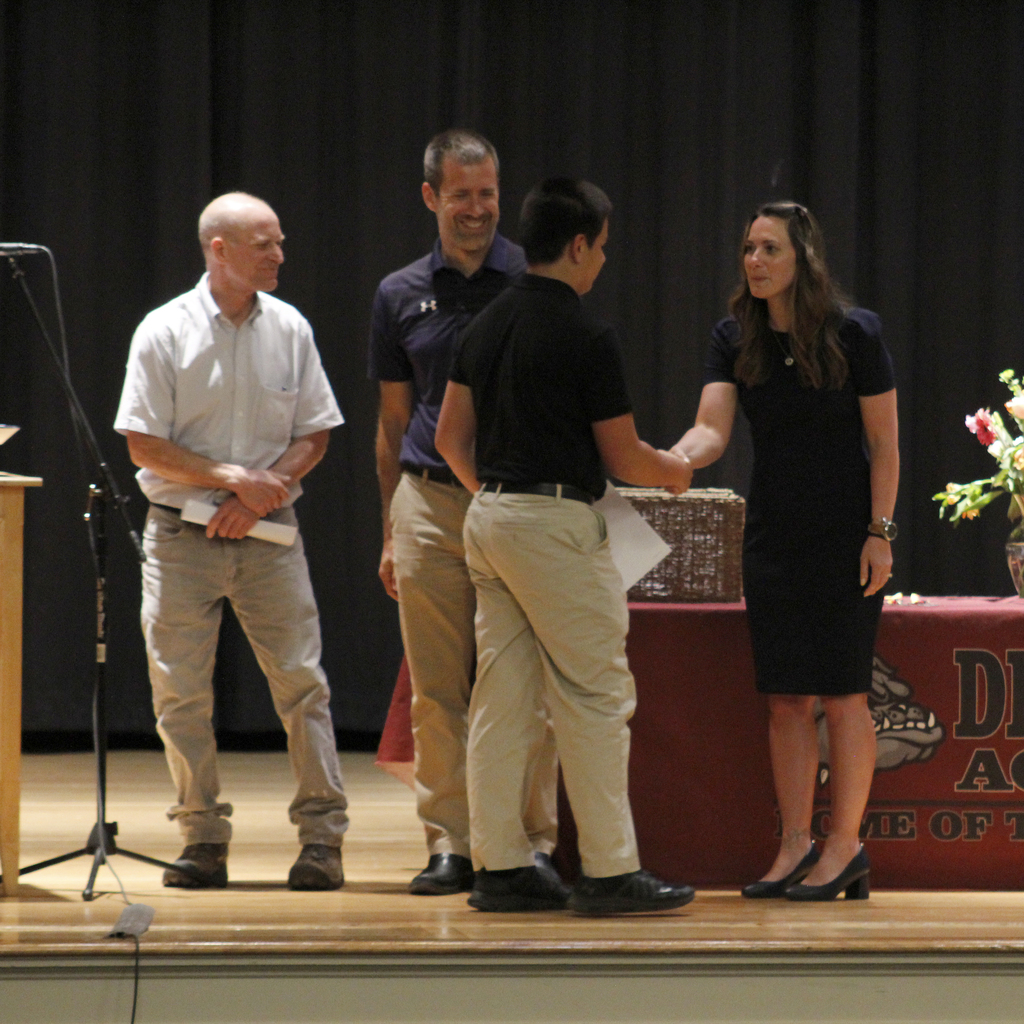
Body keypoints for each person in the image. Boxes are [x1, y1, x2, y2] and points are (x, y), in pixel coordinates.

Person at [436, 177, 697, 915]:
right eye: (602, 247)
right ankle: (611, 873)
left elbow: (450, 438)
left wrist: (500, 496)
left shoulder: (483, 323)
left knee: (503, 698)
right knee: (595, 694)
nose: (603, 260)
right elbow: (624, 458)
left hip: (488, 516)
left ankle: (499, 866)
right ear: (578, 245)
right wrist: (674, 471)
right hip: (552, 524)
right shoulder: (587, 333)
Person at [114, 192, 348, 891]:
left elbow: (315, 432)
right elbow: (141, 443)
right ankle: (202, 836)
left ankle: (321, 839)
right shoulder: (164, 331)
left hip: (269, 533)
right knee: (179, 693)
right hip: (179, 534)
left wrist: (256, 496)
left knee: (303, 686)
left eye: (279, 242)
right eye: (264, 243)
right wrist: (230, 480)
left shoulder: (291, 327)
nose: (280, 254)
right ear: (219, 249)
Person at [672, 201, 899, 901]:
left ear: (803, 258)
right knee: (785, 701)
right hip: (772, 537)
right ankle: (795, 843)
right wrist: (674, 458)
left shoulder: (855, 333)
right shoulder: (735, 337)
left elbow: (884, 443)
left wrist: (881, 534)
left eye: (770, 248)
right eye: (749, 248)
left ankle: (845, 847)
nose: (755, 260)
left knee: (844, 695)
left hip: (846, 538)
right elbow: (711, 429)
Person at [369, 129, 559, 896]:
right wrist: (391, 529)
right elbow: (391, 422)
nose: (477, 209)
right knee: (437, 689)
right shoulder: (397, 293)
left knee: (529, 687)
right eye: (461, 195)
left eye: (487, 194)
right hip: (427, 502)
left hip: (516, 503)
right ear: (431, 197)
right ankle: (450, 841)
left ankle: (532, 842)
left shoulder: (537, 280)